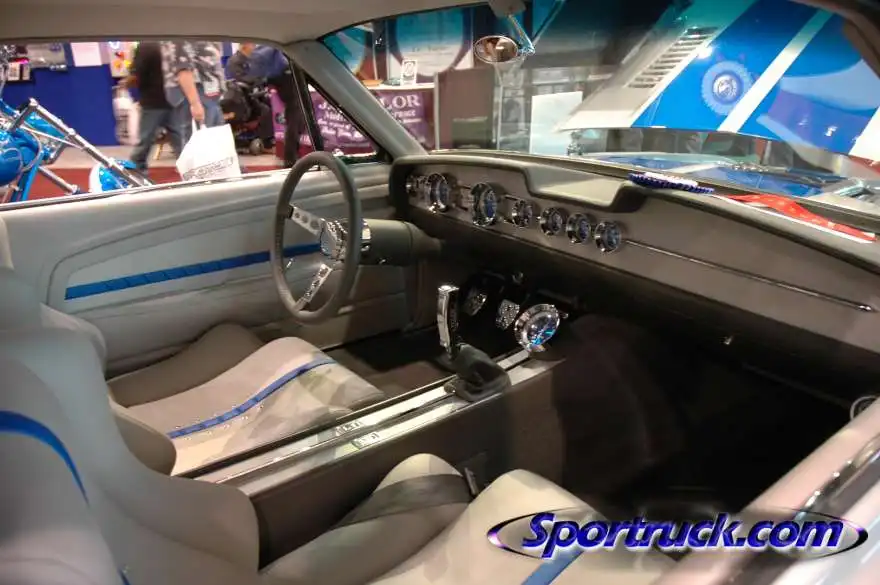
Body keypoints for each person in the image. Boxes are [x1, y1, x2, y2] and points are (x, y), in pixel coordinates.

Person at [126, 41, 182, 174]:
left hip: (152, 101)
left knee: (145, 138)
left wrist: (126, 83)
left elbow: (137, 74)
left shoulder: (146, 46)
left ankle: (136, 170)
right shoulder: (173, 45)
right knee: (179, 137)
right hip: (174, 99)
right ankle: (189, 167)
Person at [160, 41, 225, 144]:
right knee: (201, 145)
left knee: (216, 144)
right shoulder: (184, 38)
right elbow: (183, 69)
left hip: (209, 97)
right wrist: (195, 103)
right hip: (195, 96)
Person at [251, 45, 306, 167]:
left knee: (295, 119)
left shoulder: (269, 50)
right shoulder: (285, 48)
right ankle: (290, 160)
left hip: (281, 79)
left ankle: (291, 157)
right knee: (294, 120)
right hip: (288, 79)